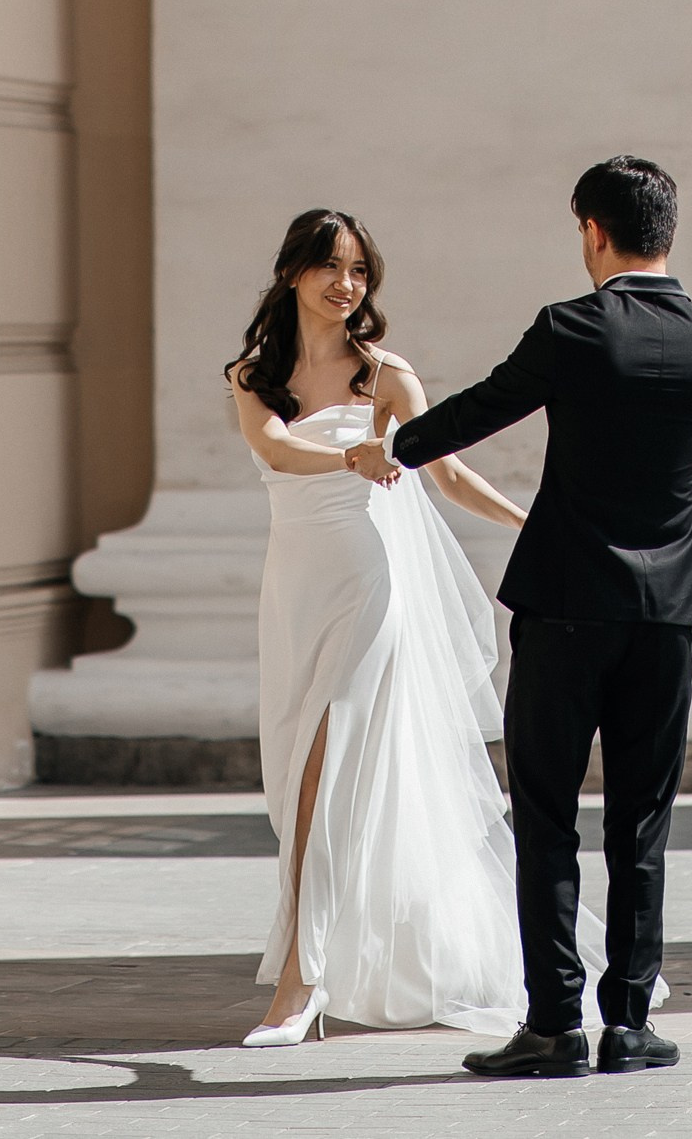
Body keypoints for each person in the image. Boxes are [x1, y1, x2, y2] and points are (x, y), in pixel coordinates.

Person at [349, 156, 692, 1079]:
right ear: (668, 233)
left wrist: (393, 449)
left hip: (570, 601)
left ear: (591, 231)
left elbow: (486, 407)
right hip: (671, 606)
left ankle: (555, 1021)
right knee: (642, 820)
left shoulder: (572, 327)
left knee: (546, 815)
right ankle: (632, 1023)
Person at [227, 207, 538, 1046]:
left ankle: (297, 987)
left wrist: (530, 522)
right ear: (292, 271)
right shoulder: (253, 375)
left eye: (360, 270)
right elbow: (278, 450)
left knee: (317, 781)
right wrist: (353, 456)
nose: (345, 284)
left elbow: (448, 474)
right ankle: (362, 953)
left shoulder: (387, 378)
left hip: (370, 586)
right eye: (329, 266)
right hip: (293, 595)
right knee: (296, 779)